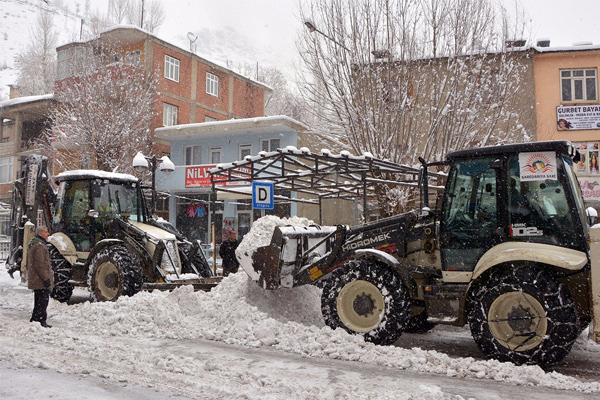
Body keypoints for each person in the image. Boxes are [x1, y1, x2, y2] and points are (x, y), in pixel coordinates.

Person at [27, 226, 53, 328]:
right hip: (40, 279)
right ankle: (40, 320)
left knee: (39, 299)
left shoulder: (36, 244)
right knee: (42, 300)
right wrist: (46, 278)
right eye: (46, 232)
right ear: (40, 233)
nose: (48, 234)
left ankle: (35, 318)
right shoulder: (40, 246)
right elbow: (40, 264)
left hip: (37, 278)